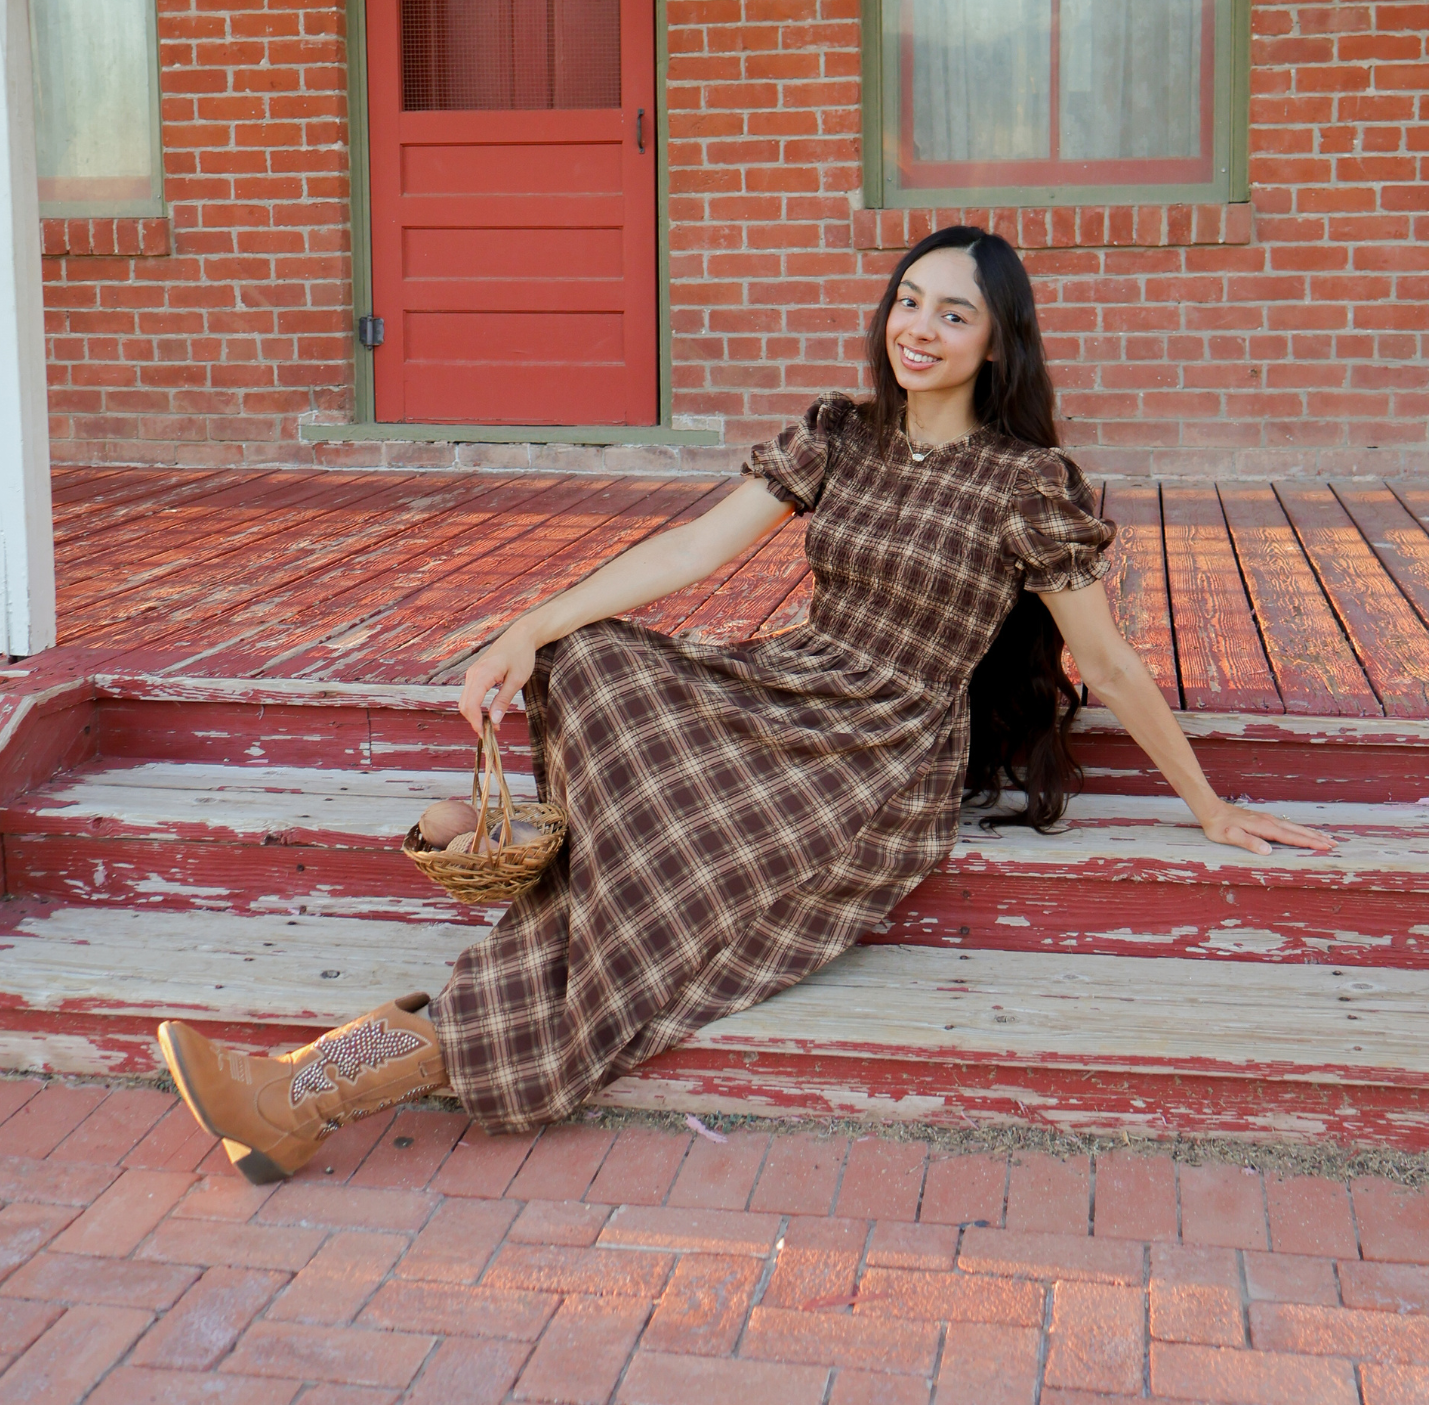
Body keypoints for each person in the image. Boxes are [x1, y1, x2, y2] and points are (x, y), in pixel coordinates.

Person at [157, 227, 1331, 1182]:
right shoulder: (841, 435)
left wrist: (1211, 805)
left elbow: (1108, 663)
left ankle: (300, 1090)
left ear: (996, 341)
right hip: (788, 688)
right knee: (591, 655)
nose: (918, 327)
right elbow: (690, 551)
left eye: (953, 313)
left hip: (878, 752)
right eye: (908, 301)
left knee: (635, 883)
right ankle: (304, 1090)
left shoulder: (1025, 484)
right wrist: (521, 627)